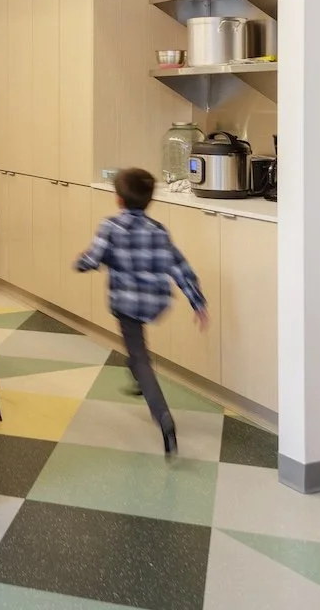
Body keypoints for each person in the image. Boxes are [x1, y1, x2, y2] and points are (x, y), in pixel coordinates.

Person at [75, 167, 208, 458]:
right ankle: (136, 371)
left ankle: (163, 417)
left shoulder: (111, 227)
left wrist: (82, 263)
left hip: (126, 302)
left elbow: (93, 258)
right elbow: (179, 267)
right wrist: (198, 302)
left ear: (118, 200)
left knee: (140, 356)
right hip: (155, 302)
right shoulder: (158, 231)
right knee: (135, 350)